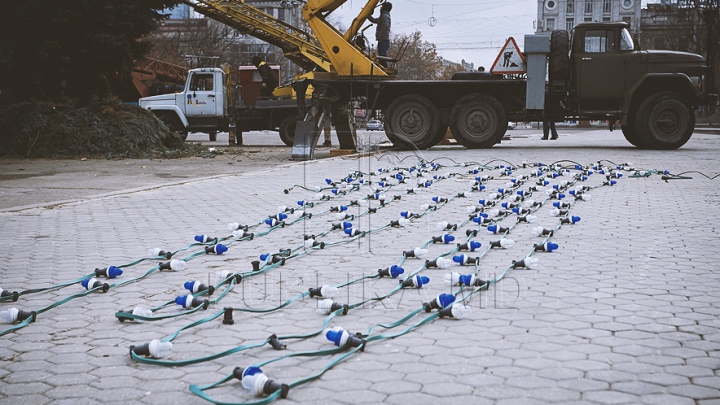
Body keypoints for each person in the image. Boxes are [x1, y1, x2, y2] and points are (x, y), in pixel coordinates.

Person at [368, 2, 392, 68]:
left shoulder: (384, 16)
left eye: (382, 6)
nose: (380, 8)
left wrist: (380, 37)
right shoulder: (384, 16)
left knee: (382, 56)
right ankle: (384, 69)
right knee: (382, 56)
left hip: (383, 40)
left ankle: (385, 69)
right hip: (383, 40)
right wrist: (368, 15)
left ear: (384, 8)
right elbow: (374, 20)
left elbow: (385, 26)